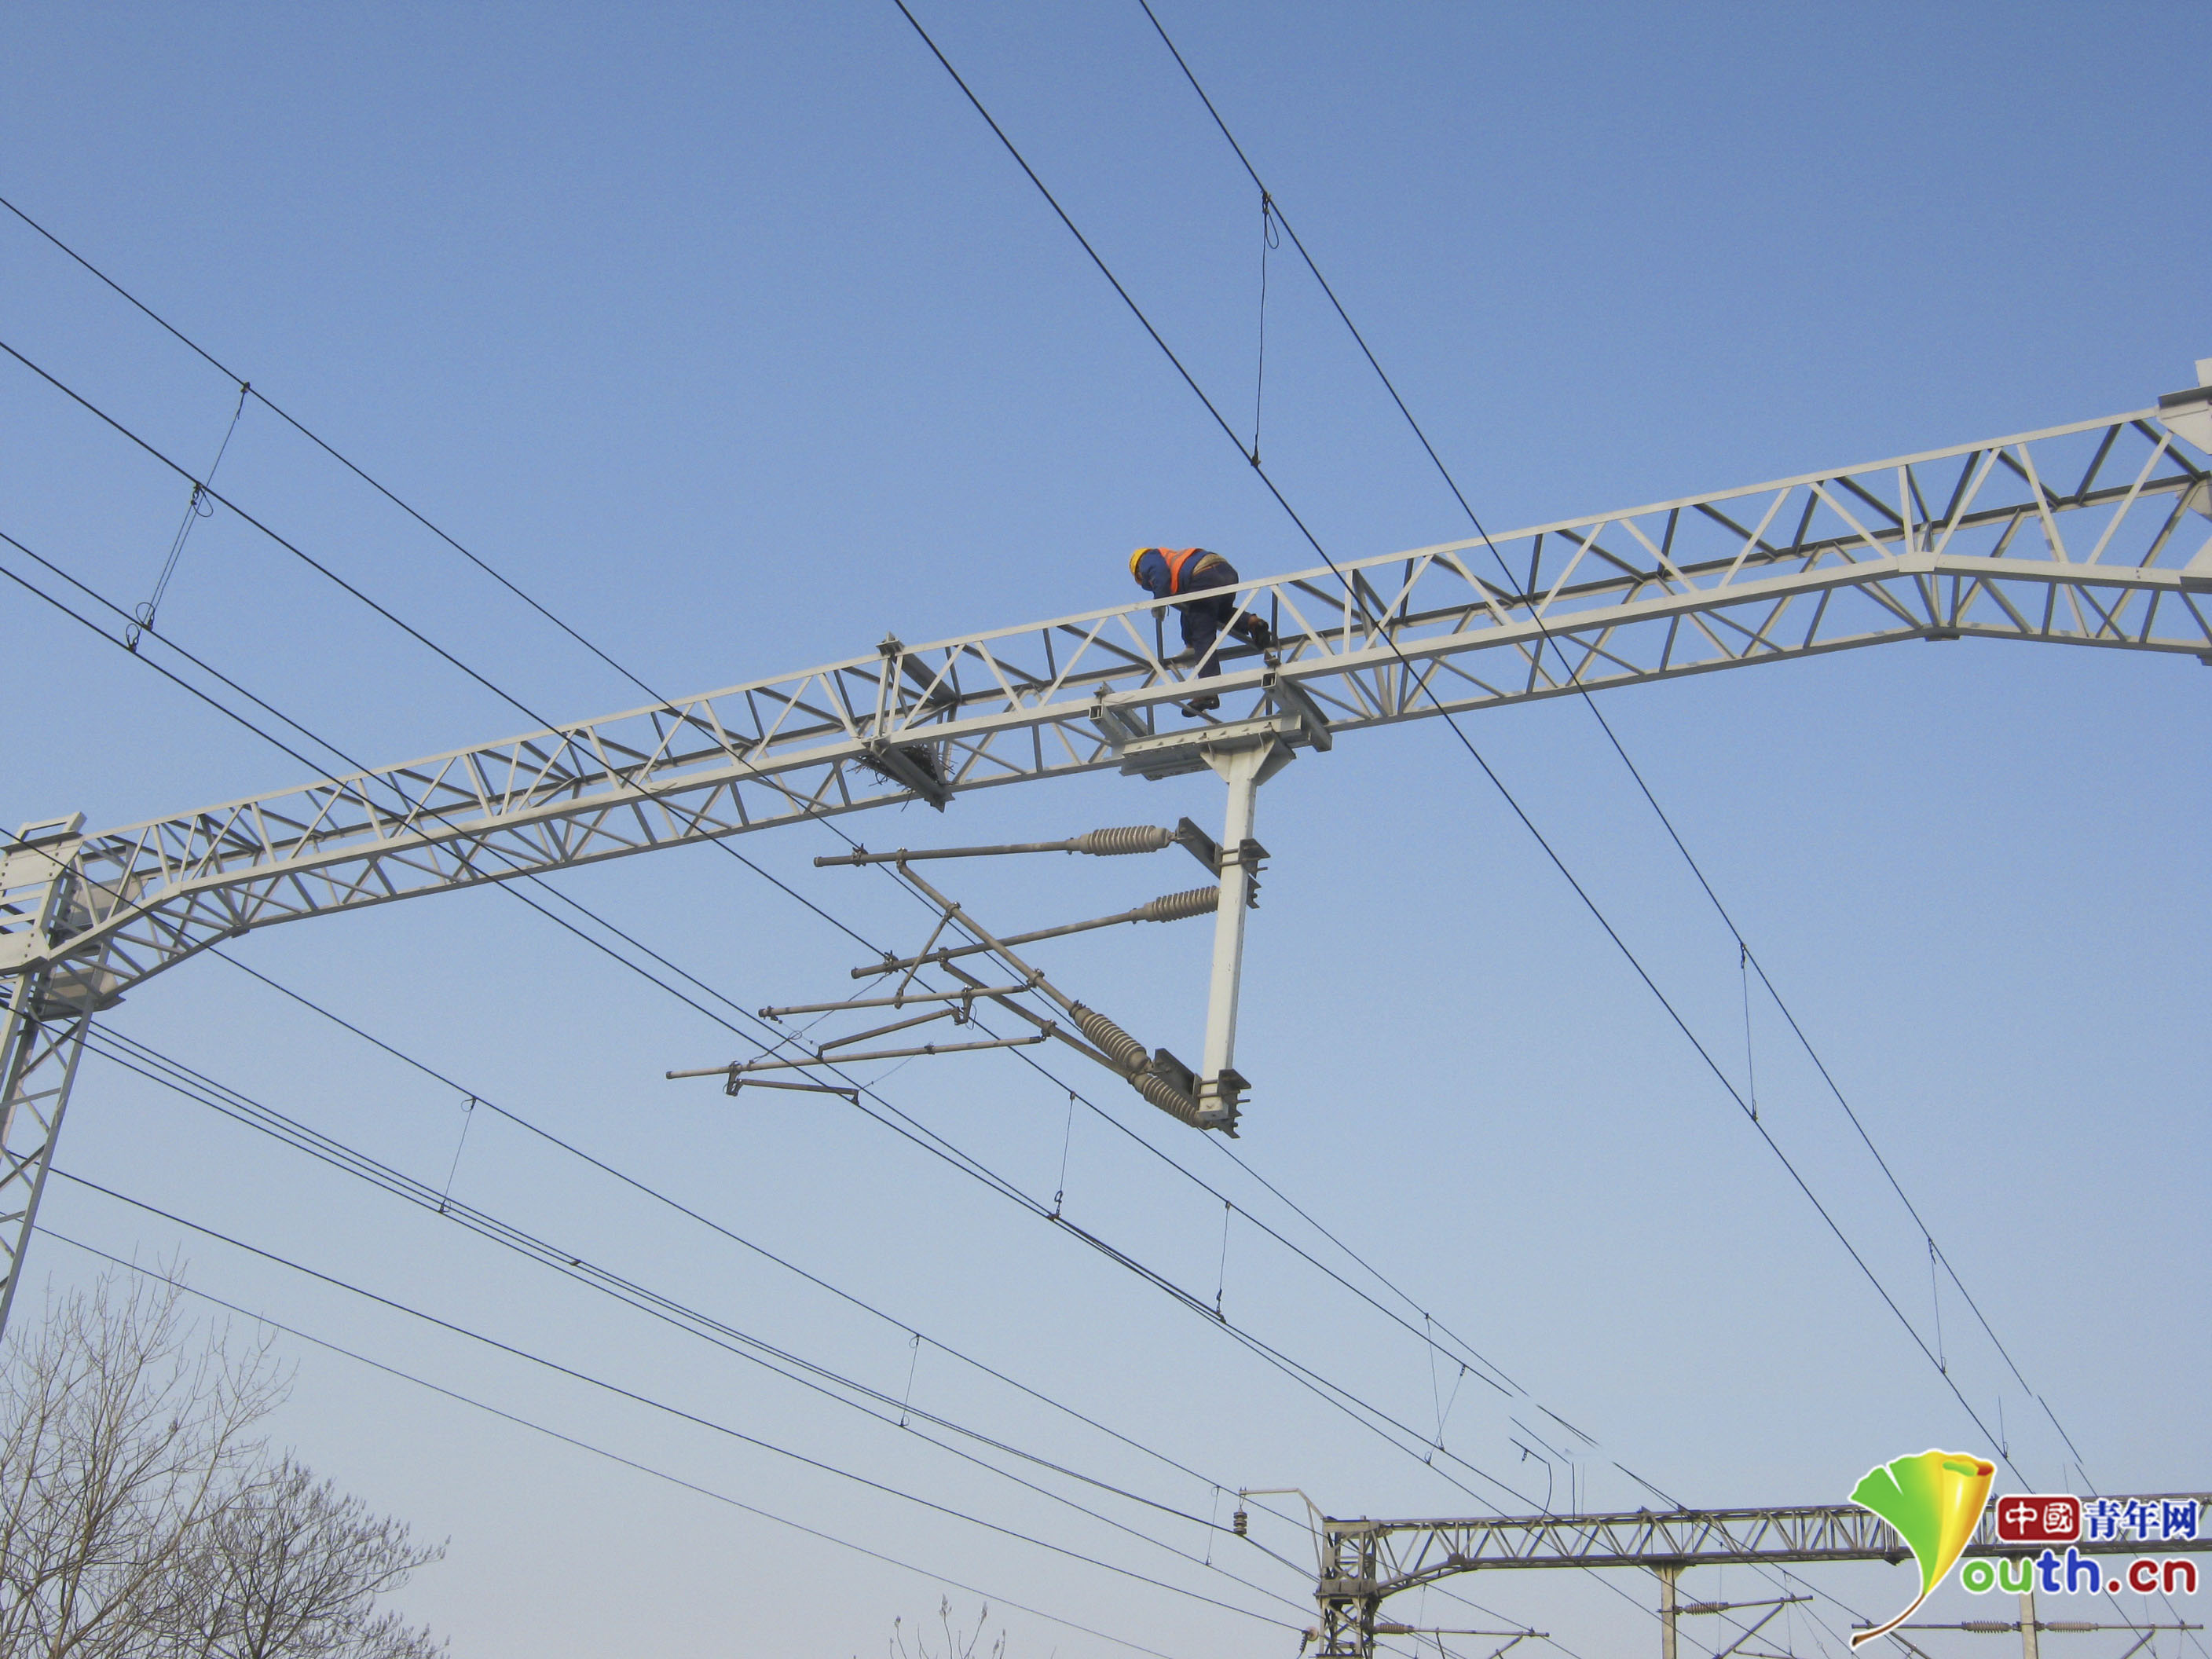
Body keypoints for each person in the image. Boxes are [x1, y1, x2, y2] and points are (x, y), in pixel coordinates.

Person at [1129, 547, 1274, 714]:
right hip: (1225, 572)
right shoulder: (1176, 565)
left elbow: (1159, 573)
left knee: (1203, 635)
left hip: (1203, 575)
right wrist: (1189, 644)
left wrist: (1159, 602)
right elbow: (1189, 613)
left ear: (1138, 572)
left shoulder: (1147, 558)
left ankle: (1208, 691)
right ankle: (1252, 623)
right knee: (1217, 613)